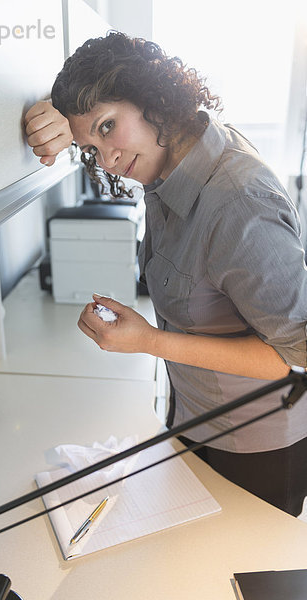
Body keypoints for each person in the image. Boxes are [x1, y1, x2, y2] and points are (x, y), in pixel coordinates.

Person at [25, 32, 307, 516]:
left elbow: (297, 353)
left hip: (254, 444)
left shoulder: (238, 204)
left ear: (153, 96)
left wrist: (150, 341)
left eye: (108, 127)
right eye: (91, 147)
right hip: (190, 414)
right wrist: (46, 109)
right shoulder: (172, 160)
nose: (108, 159)